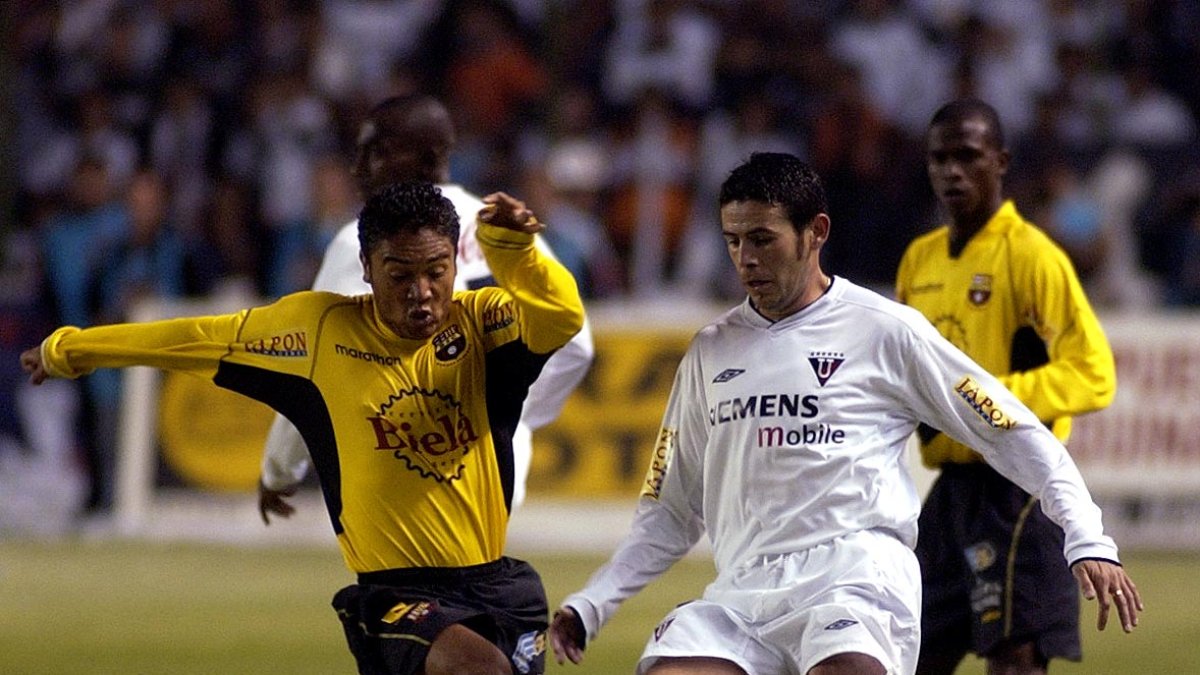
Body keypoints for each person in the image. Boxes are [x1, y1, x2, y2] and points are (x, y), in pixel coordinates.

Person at [547, 152, 1140, 675]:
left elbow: (1009, 429)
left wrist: (1086, 536)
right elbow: (669, 508)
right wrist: (594, 601)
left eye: (762, 239)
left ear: (816, 232)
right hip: (743, 594)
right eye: (733, 241)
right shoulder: (710, 352)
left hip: (854, 581)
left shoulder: (884, 329)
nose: (745, 259)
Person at [22, 181, 586, 675]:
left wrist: (516, 253)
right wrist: (71, 350)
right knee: (477, 668)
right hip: (396, 597)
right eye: (400, 275)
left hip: (497, 587)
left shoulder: (483, 324)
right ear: (367, 268)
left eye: (436, 272)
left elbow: (562, 318)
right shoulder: (318, 334)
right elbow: (191, 338)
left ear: (454, 265)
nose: (421, 293)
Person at [257, 93, 594, 520]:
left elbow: (311, 369)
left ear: (428, 157)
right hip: (494, 484)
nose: (359, 167)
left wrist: (279, 470)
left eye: (376, 151)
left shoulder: (368, 241)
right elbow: (577, 345)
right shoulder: (503, 230)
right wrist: (513, 420)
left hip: (408, 473)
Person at [894, 98, 1122, 675]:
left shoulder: (1032, 256)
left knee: (1015, 660)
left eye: (967, 156)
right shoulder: (919, 260)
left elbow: (1093, 372)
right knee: (904, 649)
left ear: (1000, 161)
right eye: (939, 158)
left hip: (1018, 485)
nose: (952, 171)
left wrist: (990, 400)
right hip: (950, 491)